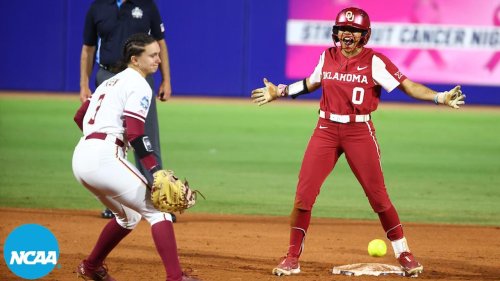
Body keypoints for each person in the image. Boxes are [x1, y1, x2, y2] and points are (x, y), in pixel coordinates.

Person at [251, 7, 465, 277]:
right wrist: (281, 91)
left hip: (359, 132)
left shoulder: (375, 61)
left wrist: (439, 97)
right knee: (304, 196)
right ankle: (292, 257)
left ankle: (404, 253)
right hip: (325, 130)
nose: (347, 34)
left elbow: (408, 85)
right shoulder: (327, 56)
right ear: (336, 32)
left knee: (379, 198)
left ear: (365, 35)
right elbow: (311, 82)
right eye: (343, 29)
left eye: (353, 30)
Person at [72, 33, 200, 281]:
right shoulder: (139, 84)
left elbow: (79, 117)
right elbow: (135, 132)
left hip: (81, 158)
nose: (158, 59)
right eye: (152, 55)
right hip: (104, 158)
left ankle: (91, 267)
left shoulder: (108, 83)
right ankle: (176, 277)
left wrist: (98, 140)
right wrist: (155, 171)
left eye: (158, 54)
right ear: (135, 59)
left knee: (128, 216)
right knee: (158, 211)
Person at [80, 0, 174, 220]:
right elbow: (88, 49)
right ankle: (115, 204)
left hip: (141, 78)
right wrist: (84, 84)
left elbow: (161, 43)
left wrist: (166, 80)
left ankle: (157, 199)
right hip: (108, 76)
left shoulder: (146, 5)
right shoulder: (98, 7)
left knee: (147, 137)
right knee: (110, 139)